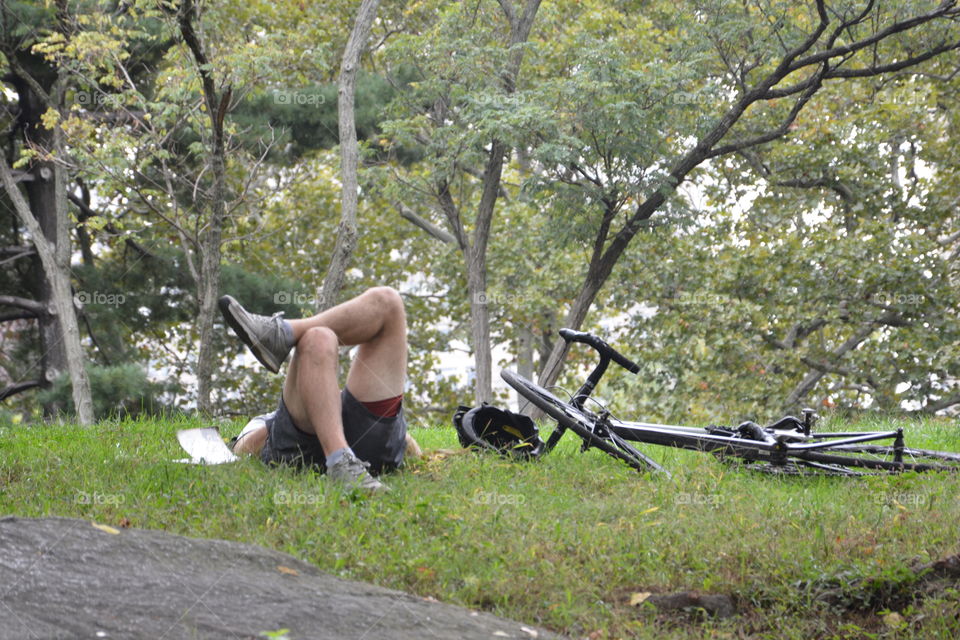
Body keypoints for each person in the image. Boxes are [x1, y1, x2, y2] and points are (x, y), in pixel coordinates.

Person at [218, 286, 411, 493]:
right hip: (301, 449)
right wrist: (318, 415)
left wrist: (408, 445)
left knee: (387, 300)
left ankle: (282, 333)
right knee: (317, 337)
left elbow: (405, 441)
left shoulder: (340, 401)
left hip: (369, 447)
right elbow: (243, 448)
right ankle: (339, 460)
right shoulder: (263, 420)